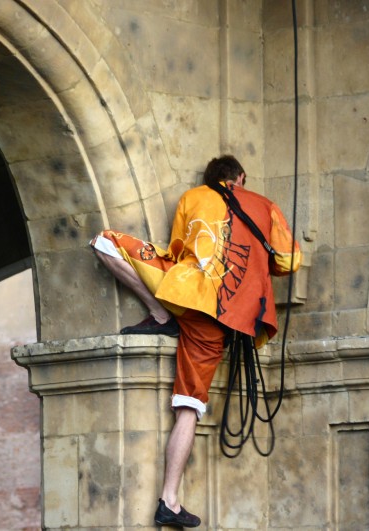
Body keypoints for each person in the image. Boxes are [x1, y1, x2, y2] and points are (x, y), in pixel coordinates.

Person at [90, 155, 301, 528]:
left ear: (210, 180)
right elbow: (288, 261)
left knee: (105, 242)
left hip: (186, 295)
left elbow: (176, 248)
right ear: (241, 178)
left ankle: (160, 315)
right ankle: (168, 499)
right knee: (188, 407)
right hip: (228, 317)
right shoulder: (265, 206)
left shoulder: (192, 197)